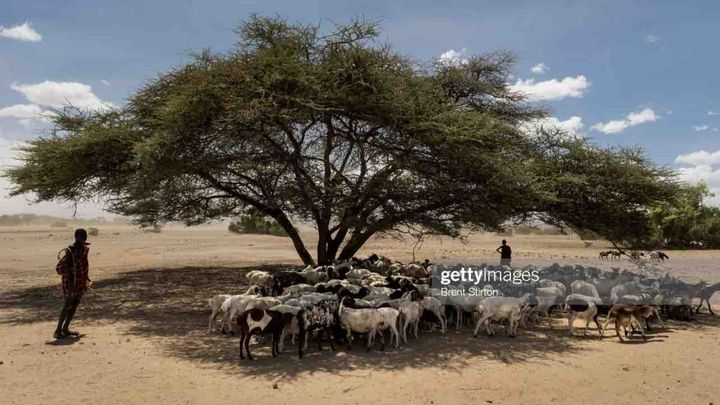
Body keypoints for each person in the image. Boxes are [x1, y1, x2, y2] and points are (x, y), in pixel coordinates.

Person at [54, 228, 91, 339]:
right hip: (71, 283)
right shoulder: (70, 250)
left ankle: (65, 328)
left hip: (80, 281)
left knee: (74, 304)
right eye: (81, 237)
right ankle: (57, 330)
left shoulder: (84, 249)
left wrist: (86, 279)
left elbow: (84, 265)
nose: (83, 239)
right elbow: (66, 268)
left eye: (84, 237)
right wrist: (71, 285)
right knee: (67, 305)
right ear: (76, 237)